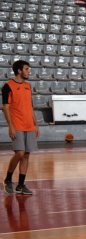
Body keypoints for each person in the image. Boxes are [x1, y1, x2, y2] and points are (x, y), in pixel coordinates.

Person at [2, 60, 38, 195]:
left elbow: (30, 106)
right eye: (27, 69)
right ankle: (8, 179)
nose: (29, 71)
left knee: (26, 155)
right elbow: (5, 107)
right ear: (19, 70)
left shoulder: (28, 86)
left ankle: (21, 185)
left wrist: (36, 124)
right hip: (17, 124)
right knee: (20, 153)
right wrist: (10, 126)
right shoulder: (7, 86)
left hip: (29, 125)